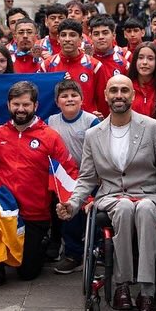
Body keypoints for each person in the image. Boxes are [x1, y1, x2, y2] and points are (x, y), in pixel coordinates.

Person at [56, 75, 156, 311]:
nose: (119, 95)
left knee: (145, 208)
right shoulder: (94, 134)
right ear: (105, 95)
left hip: (147, 194)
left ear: (133, 96)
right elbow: (87, 177)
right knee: (124, 207)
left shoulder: (153, 127)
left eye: (125, 90)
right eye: (114, 90)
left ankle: (146, 293)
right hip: (112, 197)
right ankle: (121, 284)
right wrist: (72, 203)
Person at [0, 81, 79, 284]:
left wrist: (79, 200)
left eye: (26, 104)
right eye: (16, 104)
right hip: (4, 212)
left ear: (35, 106)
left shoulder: (50, 137)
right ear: (8, 105)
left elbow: (68, 171)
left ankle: (40, 245)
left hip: (35, 214)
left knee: (27, 273)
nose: (20, 109)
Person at [46, 80, 100, 273]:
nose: (69, 99)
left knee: (90, 214)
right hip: (64, 179)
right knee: (67, 213)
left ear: (82, 99)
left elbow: (101, 150)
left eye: (73, 95)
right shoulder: (51, 122)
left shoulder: (92, 121)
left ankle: (96, 248)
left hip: (89, 177)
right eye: (64, 96)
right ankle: (72, 254)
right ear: (57, 101)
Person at [45, 19, 108, 117]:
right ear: (58, 38)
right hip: (57, 125)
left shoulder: (95, 66)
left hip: (87, 125)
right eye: (63, 35)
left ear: (81, 39)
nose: (67, 39)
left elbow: (102, 100)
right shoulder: (47, 65)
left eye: (72, 35)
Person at [126, 42, 156, 122]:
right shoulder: (125, 89)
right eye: (140, 58)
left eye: (150, 58)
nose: (144, 62)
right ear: (135, 61)